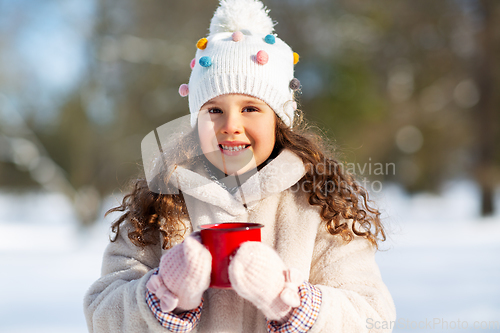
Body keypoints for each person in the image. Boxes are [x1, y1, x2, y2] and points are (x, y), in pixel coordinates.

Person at [84, 0, 396, 332]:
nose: (230, 125)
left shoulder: (317, 203)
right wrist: (163, 293)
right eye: (214, 110)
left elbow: (373, 317)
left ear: (279, 121)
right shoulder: (162, 202)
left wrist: (288, 301)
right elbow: (103, 312)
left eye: (250, 108)